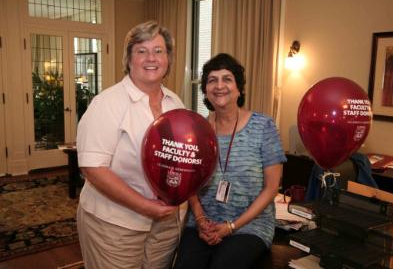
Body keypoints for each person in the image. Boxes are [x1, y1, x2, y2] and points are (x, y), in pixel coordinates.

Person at [76, 21, 184, 269]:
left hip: (165, 223)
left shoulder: (175, 103)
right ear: (129, 59)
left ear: (168, 59)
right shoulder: (107, 104)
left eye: (159, 51)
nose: (151, 58)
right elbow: (93, 168)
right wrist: (146, 206)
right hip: (114, 225)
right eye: (141, 50)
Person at [173, 53, 287, 269]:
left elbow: (271, 188)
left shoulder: (263, 127)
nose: (219, 86)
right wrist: (199, 219)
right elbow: (188, 183)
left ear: (239, 88)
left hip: (250, 225)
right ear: (206, 89)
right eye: (212, 80)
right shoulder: (195, 129)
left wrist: (231, 226)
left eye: (227, 79)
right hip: (202, 223)